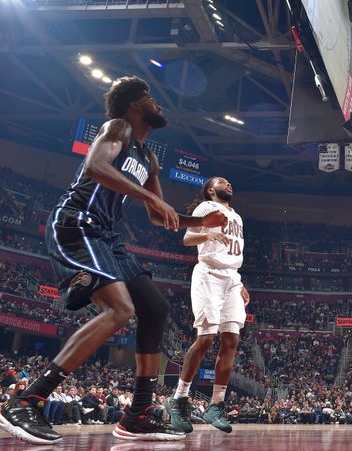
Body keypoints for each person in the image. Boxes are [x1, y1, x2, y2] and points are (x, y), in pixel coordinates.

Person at [0, 76, 226, 445]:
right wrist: (152, 199)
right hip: (78, 223)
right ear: (135, 105)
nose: (160, 104)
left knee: (155, 307)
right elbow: (94, 167)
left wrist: (200, 222)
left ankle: (136, 415)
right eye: (152, 98)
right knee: (120, 310)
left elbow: (159, 216)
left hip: (108, 236)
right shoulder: (117, 127)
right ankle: (27, 400)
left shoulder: (149, 157)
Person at [168, 176, 248, 435]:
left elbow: (233, 254)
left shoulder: (237, 217)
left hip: (232, 278)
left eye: (230, 181)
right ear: (211, 190)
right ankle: (179, 399)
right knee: (206, 339)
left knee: (232, 340)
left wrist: (240, 281)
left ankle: (216, 405)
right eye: (223, 182)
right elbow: (187, 240)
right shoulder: (205, 207)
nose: (229, 184)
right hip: (209, 275)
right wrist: (209, 232)